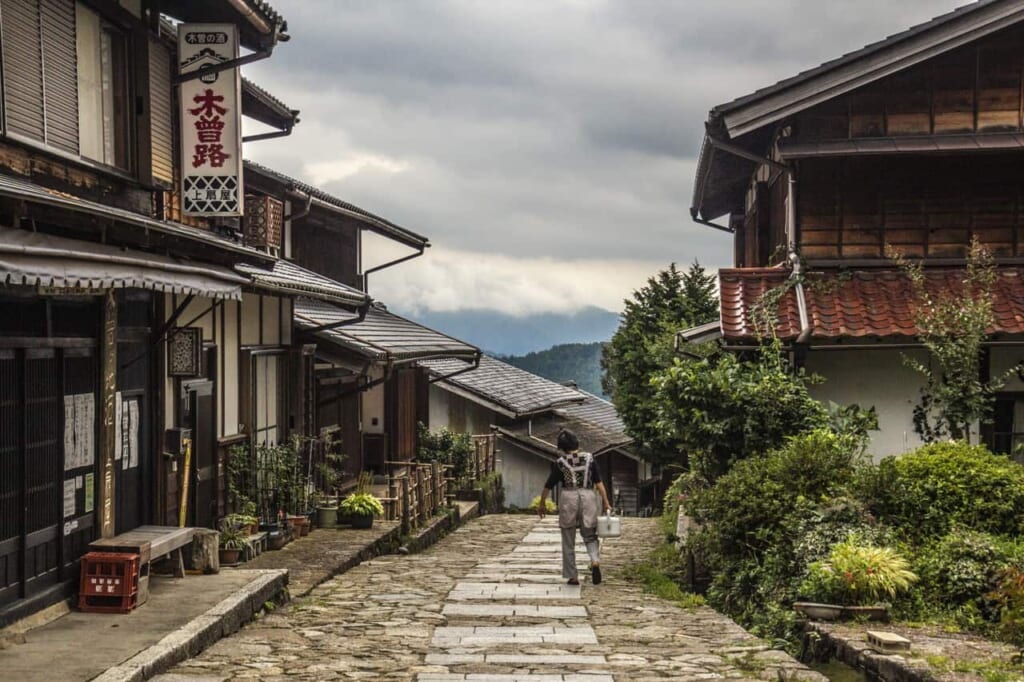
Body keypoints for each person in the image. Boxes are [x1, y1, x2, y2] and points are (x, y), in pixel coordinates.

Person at [538, 429, 612, 585]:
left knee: (568, 539)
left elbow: (549, 485)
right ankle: (595, 560)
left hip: (568, 498)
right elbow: (599, 482)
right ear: (576, 443)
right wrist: (606, 502)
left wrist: (542, 503)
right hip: (588, 497)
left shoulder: (560, 463)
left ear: (562, 447)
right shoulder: (589, 459)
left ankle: (573, 576)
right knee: (590, 535)